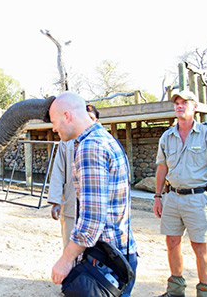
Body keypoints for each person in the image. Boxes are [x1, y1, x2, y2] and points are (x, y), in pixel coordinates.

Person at [49, 92, 138, 296]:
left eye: (54, 122)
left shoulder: (91, 147)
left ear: (67, 116)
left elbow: (92, 220)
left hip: (106, 261)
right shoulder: (104, 139)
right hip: (117, 254)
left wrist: (65, 260)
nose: (54, 128)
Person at [153, 90, 207, 297]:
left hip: (198, 199)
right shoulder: (167, 136)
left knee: (200, 246)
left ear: (194, 106)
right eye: (176, 103)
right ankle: (176, 290)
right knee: (172, 242)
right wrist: (158, 196)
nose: (180, 106)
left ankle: (204, 291)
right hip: (172, 197)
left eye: (185, 102)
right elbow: (162, 168)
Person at [48, 105, 99, 250]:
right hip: (71, 205)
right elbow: (58, 172)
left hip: (95, 209)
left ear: (96, 120)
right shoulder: (66, 142)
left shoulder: (103, 143)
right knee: (69, 246)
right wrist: (55, 201)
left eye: (91, 118)